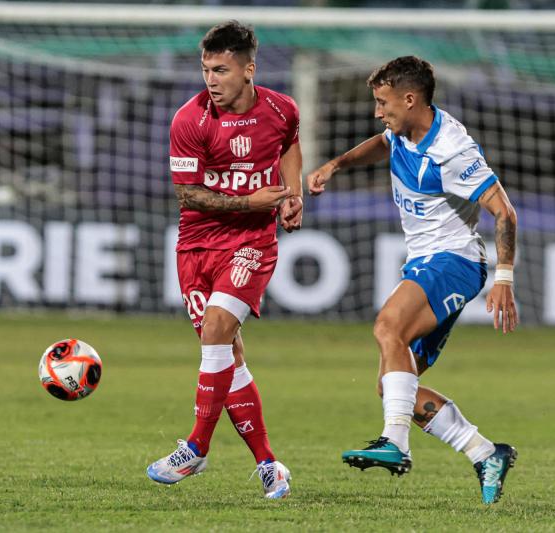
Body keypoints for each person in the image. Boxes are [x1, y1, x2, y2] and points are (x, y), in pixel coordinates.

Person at [307, 56, 518, 504]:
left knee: (388, 327)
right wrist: (337, 165)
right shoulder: (404, 131)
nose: (377, 112)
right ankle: (485, 453)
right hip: (426, 261)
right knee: (394, 388)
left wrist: (505, 278)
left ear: (410, 99)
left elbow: (504, 211)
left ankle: (395, 445)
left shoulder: (453, 151)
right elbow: (383, 144)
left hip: (454, 260)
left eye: (383, 103)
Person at [146, 21, 303, 499]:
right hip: (196, 246)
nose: (210, 80)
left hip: (252, 243)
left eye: (221, 70)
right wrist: (249, 201)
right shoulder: (189, 120)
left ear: (248, 69)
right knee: (228, 360)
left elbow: (290, 143)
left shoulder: (281, 109)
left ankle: (195, 447)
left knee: (216, 330)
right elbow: (187, 195)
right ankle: (269, 465)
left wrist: (292, 194)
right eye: (205, 69)